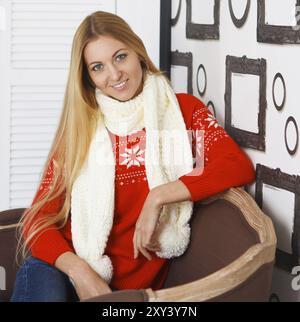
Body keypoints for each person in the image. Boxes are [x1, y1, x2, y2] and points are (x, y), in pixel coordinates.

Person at [10, 11, 255, 302]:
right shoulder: (80, 128)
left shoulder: (182, 112)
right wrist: (80, 271)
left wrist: (159, 196)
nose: (114, 75)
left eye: (120, 57)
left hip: (127, 294)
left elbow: (235, 165)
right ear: (88, 77)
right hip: (62, 271)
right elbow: (38, 217)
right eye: (97, 67)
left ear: (137, 50)